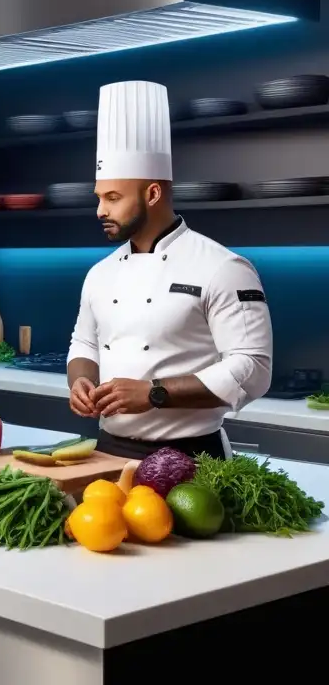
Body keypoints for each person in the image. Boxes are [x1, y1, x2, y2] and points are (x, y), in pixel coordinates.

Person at [66, 80, 273, 460]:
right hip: (108, 451)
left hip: (191, 456)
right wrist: (81, 380)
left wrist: (153, 393)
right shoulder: (100, 272)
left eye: (113, 198)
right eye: (99, 198)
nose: (100, 211)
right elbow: (85, 343)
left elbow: (253, 367)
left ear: (153, 193)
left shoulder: (223, 267)